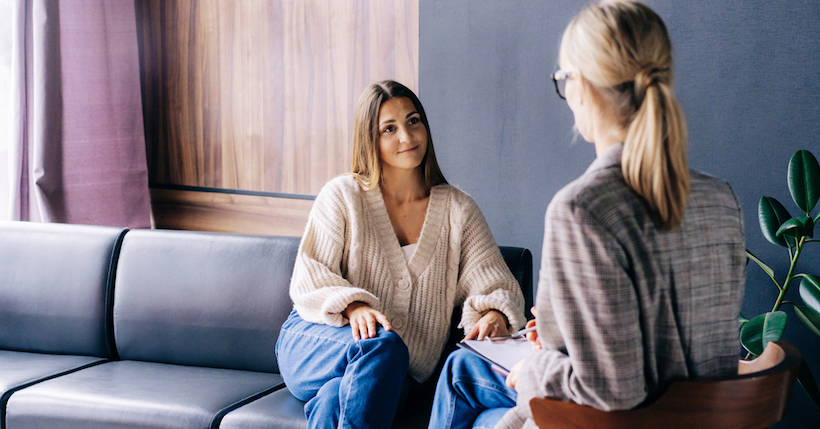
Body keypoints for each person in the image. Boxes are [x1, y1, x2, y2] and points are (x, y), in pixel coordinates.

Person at [427, 1, 746, 428]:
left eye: (563, 79)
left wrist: (538, 370)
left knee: (472, 386)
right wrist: (563, 341)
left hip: (606, 421)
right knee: (464, 373)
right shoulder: (720, 199)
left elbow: (615, 388)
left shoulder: (582, 209)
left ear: (581, 87)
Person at [275, 80, 526, 429]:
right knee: (385, 346)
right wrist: (353, 305)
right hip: (318, 342)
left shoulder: (458, 210)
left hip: (398, 373)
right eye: (389, 129)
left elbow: (493, 280)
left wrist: (494, 314)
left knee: (337, 398)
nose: (407, 137)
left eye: (413, 121)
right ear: (371, 140)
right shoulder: (343, 196)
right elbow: (309, 277)